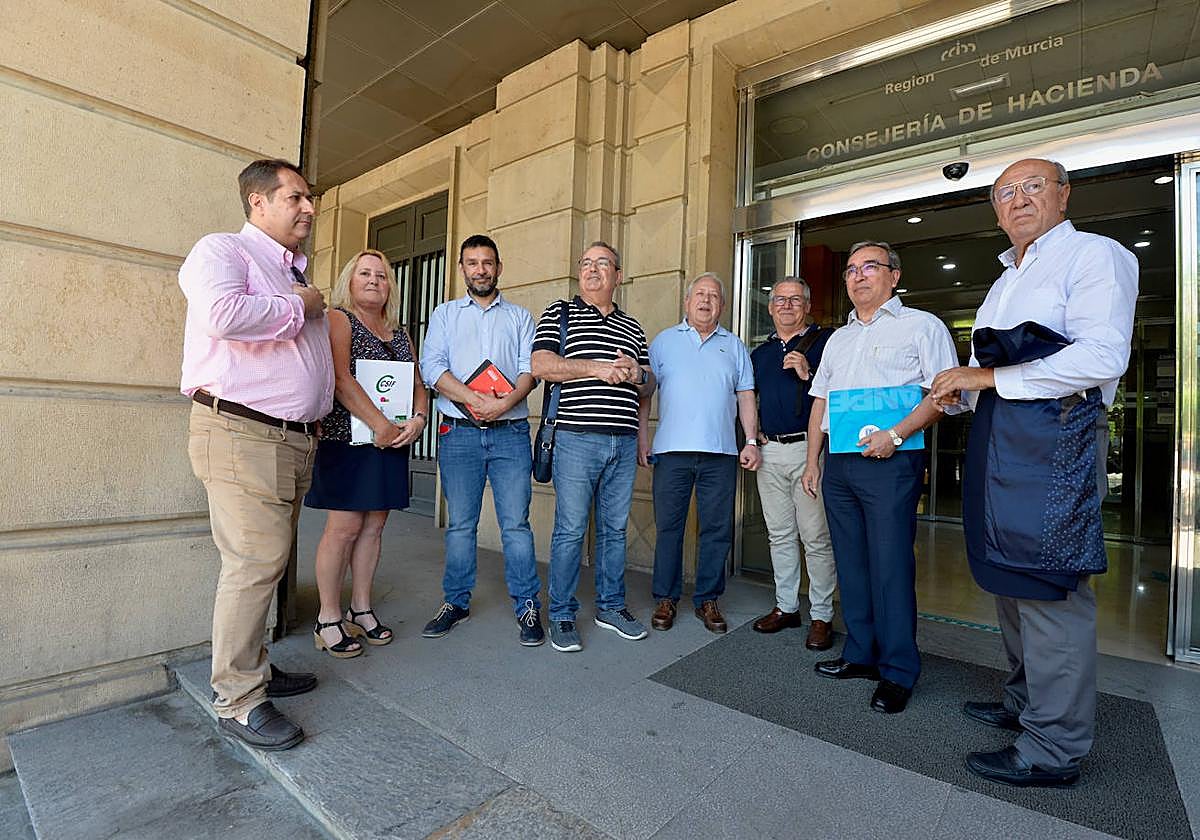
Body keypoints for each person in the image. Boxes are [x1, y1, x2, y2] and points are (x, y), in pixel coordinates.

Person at [930, 158, 1136, 787]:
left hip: (1057, 441)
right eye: (1004, 193)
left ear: (1064, 194)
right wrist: (955, 392)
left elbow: (1103, 355)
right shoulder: (1003, 279)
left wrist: (988, 378)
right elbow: (979, 373)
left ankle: (1054, 747)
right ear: (995, 209)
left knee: (1051, 587)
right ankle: (1025, 705)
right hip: (1001, 441)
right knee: (1007, 576)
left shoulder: (1096, 256)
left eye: (1032, 187)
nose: (1017, 200)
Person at [180, 159, 331, 750]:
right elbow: (221, 316)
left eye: (309, 198)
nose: (309, 208)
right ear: (258, 203)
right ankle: (239, 701)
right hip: (242, 432)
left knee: (267, 560)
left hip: (290, 440)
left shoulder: (293, 273)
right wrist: (303, 307)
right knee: (254, 562)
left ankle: (256, 668)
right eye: (296, 197)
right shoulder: (223, 251)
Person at [801, 241, 961, 714]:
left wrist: (896, 432)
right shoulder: (838, 339)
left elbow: (946, 395)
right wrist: (814, 460)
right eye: (850, 270)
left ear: (894, 275)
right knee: (851, 562)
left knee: (890, 565)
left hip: (892, 462)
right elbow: (821, 403)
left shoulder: (922, 327)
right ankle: (861, 654)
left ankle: (897, 670)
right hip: (841, 463)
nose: (857, 276)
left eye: (869, 267)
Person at [531, 241, 656, 652]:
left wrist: (636, 372)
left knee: (614, 530)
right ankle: (562, 614)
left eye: (602, 263)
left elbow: (650, 385)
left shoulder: (633, 327)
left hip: (621, 442)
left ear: (618, 276)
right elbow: (542, 365)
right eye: (586, 263)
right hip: (576, 439)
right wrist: (596, 368)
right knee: (569, 530)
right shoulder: (559, 313)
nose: (592, 269)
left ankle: (611, 606)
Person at [418, 234, 543, 645]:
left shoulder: (522, 318)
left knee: (516, 526)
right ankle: (456, 602)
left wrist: (503, 403)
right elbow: (432, 366)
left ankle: (527, 605)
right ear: (462, 269)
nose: (480, 270)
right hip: (459, 433)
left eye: (487, 262)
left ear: (499, 267)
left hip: (510, 435)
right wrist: (474, 399)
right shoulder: (445, 314)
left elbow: (530, 369)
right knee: (460, 526)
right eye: (472, 263)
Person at [305, 250, 428, 658]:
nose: (374, 280)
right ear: (350, 281)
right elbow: (340, 378)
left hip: (390, 442)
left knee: (375, 528)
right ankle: (328, 617)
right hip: (348, 441)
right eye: (365, 273)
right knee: (343, 529)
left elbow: (417, 385)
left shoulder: (400, 332)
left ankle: (361, 607)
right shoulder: (340, 319)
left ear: (390, 285)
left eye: (381, 274)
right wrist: (380, 424)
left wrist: (418, 420)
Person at [637, 273, 760, 634]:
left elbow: (746, 396)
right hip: (671, 453)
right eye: (700, 294)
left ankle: (708, 598)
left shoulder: (734, 346)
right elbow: (645, 394)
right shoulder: (662, 343)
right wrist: (643, 438)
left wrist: (750, 440)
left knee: (717, 530)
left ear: (722, 305)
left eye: (714, 296)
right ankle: (666, 597)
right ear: (687, 301)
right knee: (669, 528)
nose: (706, 301)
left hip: (720, 453)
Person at [749, 278, 837, 649]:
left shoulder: (827, 344)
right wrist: (754, 436)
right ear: (770, 308)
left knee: (815, 536)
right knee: (780, 534)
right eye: (779, 300)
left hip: (809, 451)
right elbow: (748, 398)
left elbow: (841, 395)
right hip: (770, 453)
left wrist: (809, 374)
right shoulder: (759, 354)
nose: (786, 305)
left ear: (807, 304)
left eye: (795, 300)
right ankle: (786, 607)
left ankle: (821, 615)